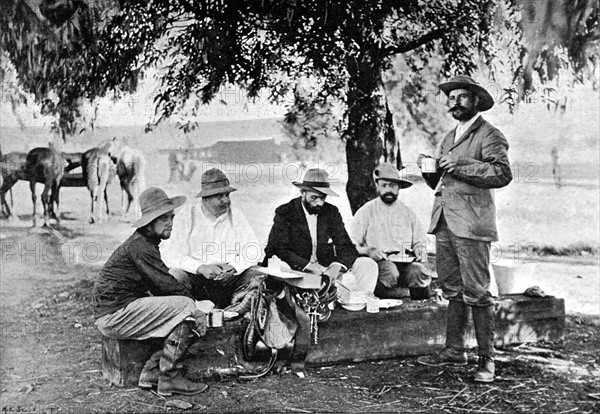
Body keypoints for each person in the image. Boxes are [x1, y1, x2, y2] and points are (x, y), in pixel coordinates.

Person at [416, 75, 512, 383]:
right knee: (452, 289)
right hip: (444, 221)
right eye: (451, 98)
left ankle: (487, 361)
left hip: (471, 224)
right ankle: (454, 350)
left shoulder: (489, 134)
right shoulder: (448, 137)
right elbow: (442, 180)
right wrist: (427, 169)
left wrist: (459, 166)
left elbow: (501, 173)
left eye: (462, 97)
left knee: (477, 292)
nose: (455, 102)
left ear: (476, 101)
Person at [93, 187, 208, 396]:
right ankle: (169, 377)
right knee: (186, 307)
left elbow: (163, 284)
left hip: (119, 309)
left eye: (171, 217)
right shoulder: (140, 246)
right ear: (149, 221)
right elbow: (166, 286)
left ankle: (152, 372)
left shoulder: (145, 243)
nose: (170, 223)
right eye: (163, 219)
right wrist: (198, 307)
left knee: (181, 292)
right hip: (114, 315)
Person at [264, 168, 377, 296]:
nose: (319, 203)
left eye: (323, 198)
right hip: (295, 268)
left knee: (367, 264)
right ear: (303, 193)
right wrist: (308, 266)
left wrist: (336, 267)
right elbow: (276, 249)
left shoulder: (331, 212)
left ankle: (361, 301)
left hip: (324, 268)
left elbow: (346, 247)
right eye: (314, 198)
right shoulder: (286, 212)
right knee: (280, 267)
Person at [160, 168, 264, 308]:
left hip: (229, 281)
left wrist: (233, 267)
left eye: (227, 195)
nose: (226, 200)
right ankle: (189, 312)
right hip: (197, 282)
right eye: (219, 196)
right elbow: (170, 255)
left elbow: (253, 250)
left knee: (256, 273)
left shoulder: (236, 216)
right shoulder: (187, 216)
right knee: (175, 275)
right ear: (206, 198)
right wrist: (200, 267)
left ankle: (238, 310)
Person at [350, 162, 432, 300]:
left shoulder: (408, 212)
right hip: (381, 261)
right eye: (384, 185)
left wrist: (419, 249)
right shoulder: (367, 211)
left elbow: (420, 240)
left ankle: (421, 312)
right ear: (377, 186)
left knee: (418, 271)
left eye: (392, 185)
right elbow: (351, 243)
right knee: (389, 271)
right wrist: (368, 251)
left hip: (406, 260)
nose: (388, 190)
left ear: (399, 187)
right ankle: (386, 314)